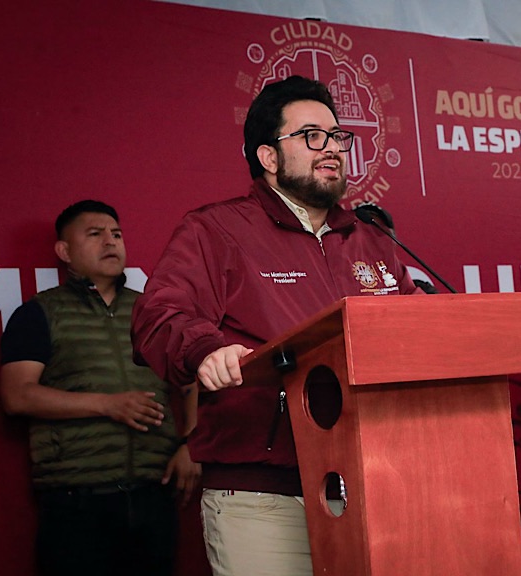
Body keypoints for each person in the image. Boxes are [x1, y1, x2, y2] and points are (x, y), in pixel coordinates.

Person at [131, 75, 420, 576]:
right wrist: (204, 349)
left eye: (337, 136)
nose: (332, 148)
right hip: (264, 498)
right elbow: (159, 315)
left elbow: (419, 329)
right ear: (268, 156)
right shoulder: (216, 230)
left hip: (373, 487)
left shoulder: (371, 239)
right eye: (312, 136)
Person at [0, 200, 200, 576]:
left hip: (153, 497)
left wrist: (191, 442)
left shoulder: (151, 313)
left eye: (116, 234)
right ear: (64, 251)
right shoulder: (39, 313)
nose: (111, 241)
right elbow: (17, 395)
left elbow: (189, 379)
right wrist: (107, 404)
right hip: (76, 502)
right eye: (95, 234)